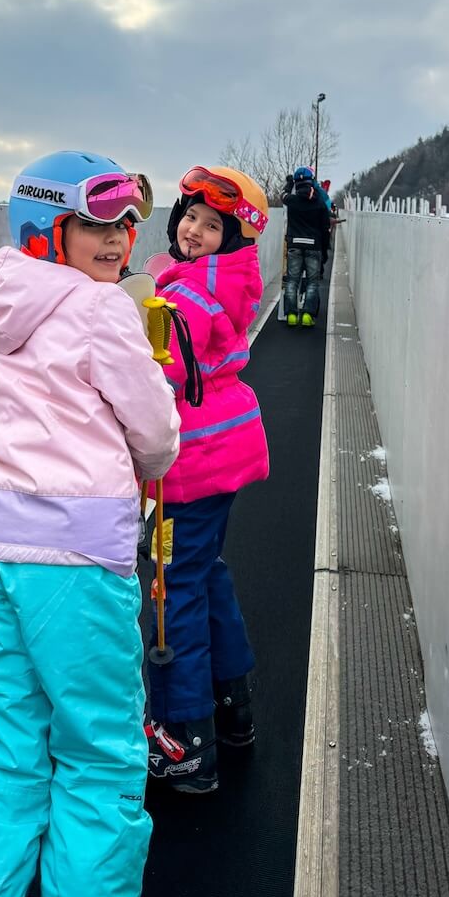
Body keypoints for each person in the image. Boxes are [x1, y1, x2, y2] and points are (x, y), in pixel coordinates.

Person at [0, 151, 180, 897]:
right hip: (78, 566)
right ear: (49, 229)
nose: (117, 240)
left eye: (126, 223)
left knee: (1, 758)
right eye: (96, 224)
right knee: (98, 762)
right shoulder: (101, 309)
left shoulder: (5, 303)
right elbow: (156, 431)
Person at [143, 165, 270, 794]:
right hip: (223, 448)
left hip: (191, 461)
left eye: (212, 225)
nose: (194, 230)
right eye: (190, 216)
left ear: (234, 238)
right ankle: (231, 709)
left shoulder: (187, 296)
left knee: (172, 591)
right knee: (204, 572)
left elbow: (156, 366)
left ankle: (183, 743)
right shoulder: (225, 281)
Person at [282, 165, 332, 327]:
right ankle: (307, 316)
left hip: (294, 244)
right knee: (312, 282)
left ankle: (290, 314)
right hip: (314, 246)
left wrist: (289, 184)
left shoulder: (292, 201)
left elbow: (283, 195)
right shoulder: (319, 203)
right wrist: (324, 249)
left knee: (292, 281)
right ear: (312, 182)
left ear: (297, 183)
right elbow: (325, 228)